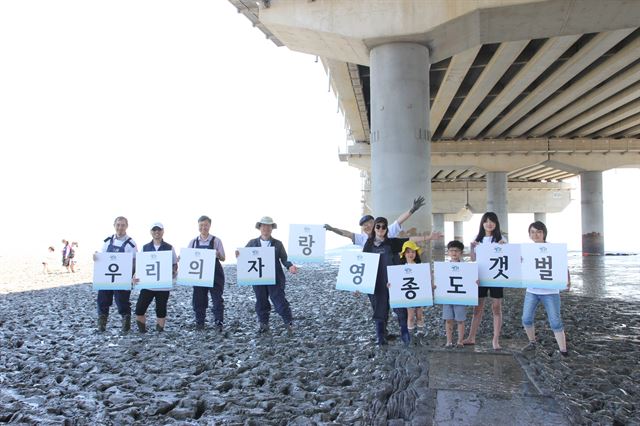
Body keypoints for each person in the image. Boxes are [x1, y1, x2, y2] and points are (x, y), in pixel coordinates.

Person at [364, 216, 441, 346]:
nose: (381, 229)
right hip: (377, 283)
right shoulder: (368, 244)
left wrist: (429, 237)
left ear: (386, 229)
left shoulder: (392, 242)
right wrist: (359, 286)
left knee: (401, 309)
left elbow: (410, 240)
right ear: (374, 228)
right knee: (379, 309)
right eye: (378, 226)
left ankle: (405, 335)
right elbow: (363, 263)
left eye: (383, 226)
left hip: (395, 282)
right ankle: (381, 337)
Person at [240, 216, 298, 334]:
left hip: (275, 278)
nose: (266, 228)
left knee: (279, 300)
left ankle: (289, 323)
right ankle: (263, 324)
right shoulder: (252, 243)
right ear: (259, 228)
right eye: (263, 226)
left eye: (269, 226)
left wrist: (290, 266)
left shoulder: (278, 244)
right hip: (258, 278)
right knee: (261, 301)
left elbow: (284, 259)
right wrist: (238, 254)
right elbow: (244, 257)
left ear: (272, 228)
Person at [521, 221, 570, 357]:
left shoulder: (553, 249)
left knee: (555, 321)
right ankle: (532, 342)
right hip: (532, 291)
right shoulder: (527, 250)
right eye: (532, 232)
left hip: (551, 292)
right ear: (529, 235)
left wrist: (567, 280)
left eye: (539, 232)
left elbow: (562, 265)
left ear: (544, 233)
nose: (535, 235)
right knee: (526, 319)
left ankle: (563, 350)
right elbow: (521, 267)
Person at [463, 212, 507, 350]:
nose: (489, 224)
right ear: (482, 223)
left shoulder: (501, 239)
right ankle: (471, 336)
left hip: (497, 277)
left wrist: (503, 247)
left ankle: (495, 339)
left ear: (496, 223)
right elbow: (473, 259)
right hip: (480, 276)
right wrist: (472, 247)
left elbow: (507, 258)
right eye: (486, 221)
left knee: (496, 307)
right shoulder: (478, 239)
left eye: (492, 221)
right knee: (477, 308)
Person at [324, 196, 426, 247]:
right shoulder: (362, 239)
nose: (367, 226)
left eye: (370, 223)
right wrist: (332, 229)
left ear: (375, 223)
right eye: (364, 225)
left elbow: (399, 221)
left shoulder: (386, 231)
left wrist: (412, 210)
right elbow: (346, 234)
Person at [94, 216, 137, 332]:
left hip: (122, 279)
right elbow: (102, 257)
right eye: (118, 225)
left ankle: (126, 325)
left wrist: (130, 277)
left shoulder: (131, 244)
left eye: (123, 225)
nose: (120, 227)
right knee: (102, 301)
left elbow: (134, 262)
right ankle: (102, 325)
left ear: (126, 226)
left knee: (122, 302)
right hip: (106, 278)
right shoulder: (107, 241)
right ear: (114, 226)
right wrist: (96, 257)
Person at [134, 223, 178, 333]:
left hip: (163, 286)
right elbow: (140, 266)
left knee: (161, 310)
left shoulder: (169, 247)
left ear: (163, 231)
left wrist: (173, 271)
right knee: (139, 310)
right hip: (148, 285)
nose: (156, 232)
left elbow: (174, 264)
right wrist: (135, 276)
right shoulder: (145, 247)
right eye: (154, 230)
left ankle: (159, 332)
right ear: (151, 232)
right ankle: (143, 331)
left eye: (159, 229)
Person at [187, 215, 226, 332]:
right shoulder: (193, 242)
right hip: (199, 275)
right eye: (201, 225)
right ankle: (200, 322)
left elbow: (223, 258)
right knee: (199, 299)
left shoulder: (216, 240)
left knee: (217, 299)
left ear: (210, 226)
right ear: (198, 226)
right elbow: (188, 258)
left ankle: (219, 321)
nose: (204, 227)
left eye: (206, 225)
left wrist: (218, 254)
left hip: (215, 274)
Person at [438, 240, 476, 348]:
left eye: (457, 251)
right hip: (447, 297)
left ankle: (460, 341)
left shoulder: (466, 267)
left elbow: (471, 280)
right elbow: (439, 281)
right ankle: (449, 341)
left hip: (461, 297)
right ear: (448, 252)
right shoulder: (444, 267)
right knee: (448, 319)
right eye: (451, 251)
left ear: (461, 252)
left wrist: (475, 282)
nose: (454, 253)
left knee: (460, 319)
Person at [399, 241, 427, 333]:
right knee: (410, 316)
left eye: (413, 252)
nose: (410, 254)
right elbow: (397, 282)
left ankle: (420, 333)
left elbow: (425, 280)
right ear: (404, 254)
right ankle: (410, 336)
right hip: (408, 293)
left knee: (420, 315)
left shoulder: (420, 267)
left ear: (416, 253)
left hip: (419, 293)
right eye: (408, 252)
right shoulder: (401, 268)